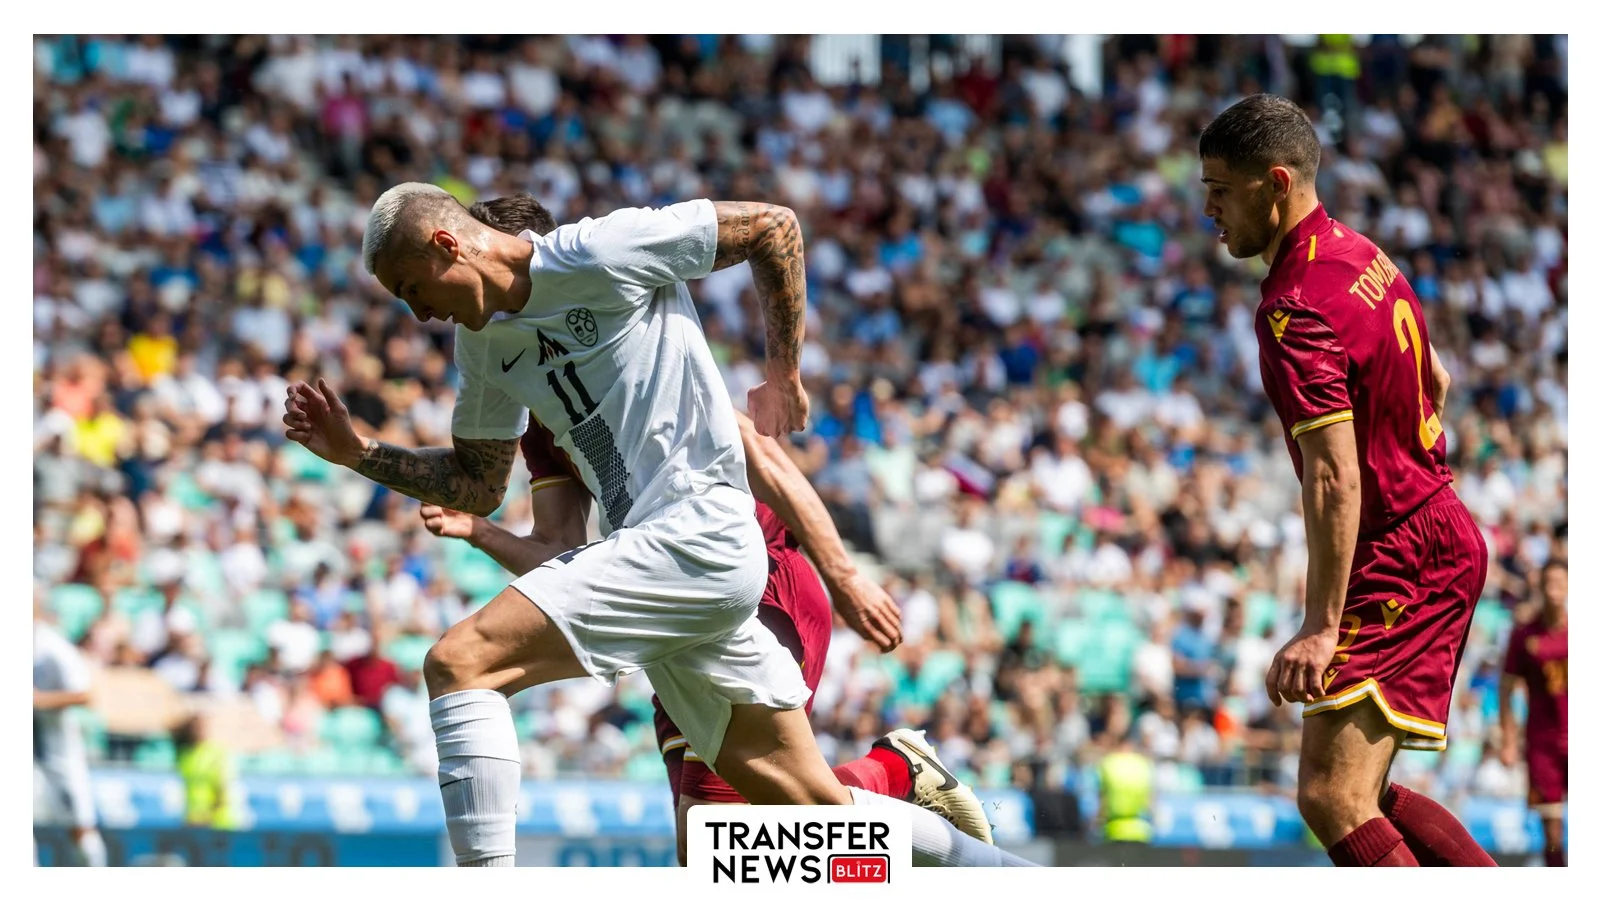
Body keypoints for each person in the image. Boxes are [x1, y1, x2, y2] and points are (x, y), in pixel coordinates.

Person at [283, 184, 1033, 867]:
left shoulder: (599, 253)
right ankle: (1005, 875)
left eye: (413, 290)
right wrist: (359, 454)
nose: (419, 314)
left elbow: (774, 228)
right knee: (788, 821)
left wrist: (785, 374)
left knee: (459, 663)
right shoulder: (483, 351)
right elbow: (477, 485)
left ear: (448, 245)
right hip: (661, 565)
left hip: (699, 536)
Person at [1198, 93, 1495, 867]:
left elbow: (1332, 480)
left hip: (1402, 549)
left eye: (1220, 191)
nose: (1209, 210)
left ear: (1274, 183)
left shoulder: (1294, 307)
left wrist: (1321, 624)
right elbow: (1438, 376)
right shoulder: (1365, 255)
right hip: (1439, 525)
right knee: (1365, 790)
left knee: (1331, 797)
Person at [1499, 559, 1567, 867]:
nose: (1554, 588)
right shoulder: (1525, 635)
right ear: (1540, 587)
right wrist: (1509, 741)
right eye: (1548, 582)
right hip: (1543, 742)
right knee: (1551, 828)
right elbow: (1505, 687)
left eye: (1560, 582)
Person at [33, 589, 106, 867]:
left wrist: (40, 701)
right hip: (29, 754)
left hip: (58, 751)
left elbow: (86, 694)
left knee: (80, 827)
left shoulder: (53, 648)